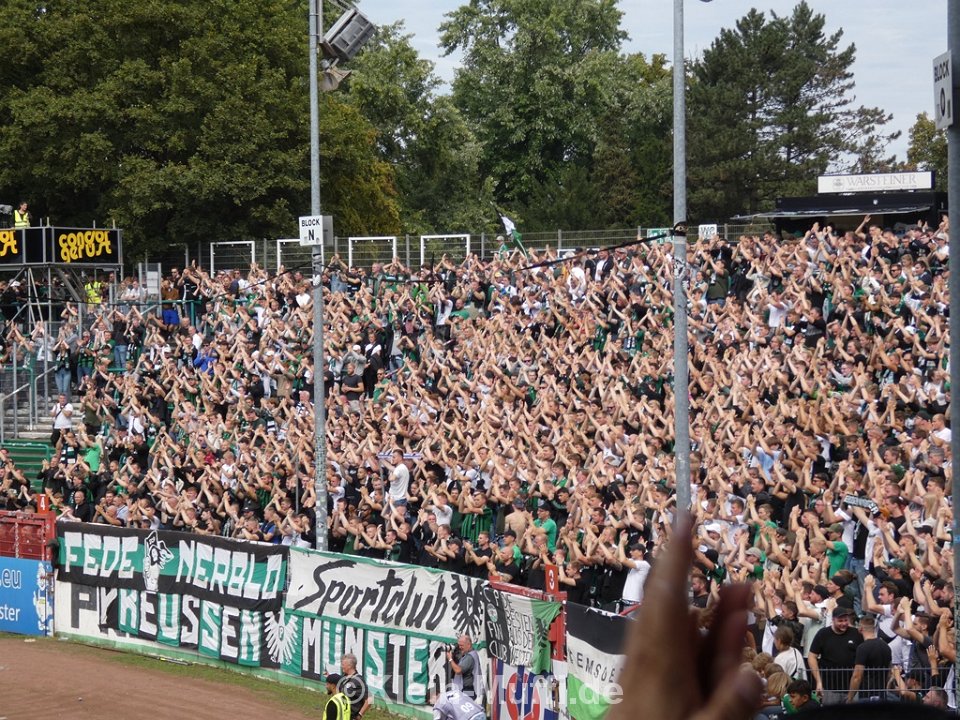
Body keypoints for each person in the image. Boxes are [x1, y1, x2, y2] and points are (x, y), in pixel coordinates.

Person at [808, 606, 862, 705]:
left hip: (851, 688)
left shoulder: (855, 633)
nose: (844, 623)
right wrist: (819, 681)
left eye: (846, 620)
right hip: (829, 687)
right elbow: (812, 657)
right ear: (833, 620)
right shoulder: (823, 634)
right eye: (840, 621)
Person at [845, 615, 891, 703]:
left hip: (867, 695)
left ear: (860, 628)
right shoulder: (886, 646)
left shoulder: (863, 648)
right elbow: (889, 672)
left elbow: (857, 676)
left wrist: (850, 697)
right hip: (882, 694)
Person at [448, 634, 482, 703]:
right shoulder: (468, 654)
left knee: (465, 710)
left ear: (469, 645)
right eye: (459, 645)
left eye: (461, 645)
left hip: (468, 691)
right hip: (465, 690)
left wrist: (450, 659)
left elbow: (458, 670)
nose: (460, 647)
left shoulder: (469, 657)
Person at [339, 652, 371, 720]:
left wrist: (360, 715)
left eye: (343, 664)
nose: (341, 666)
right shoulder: (344, 678)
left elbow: (369, 699)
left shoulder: (358, 680)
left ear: (349, 666)